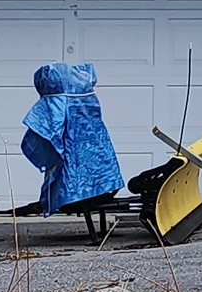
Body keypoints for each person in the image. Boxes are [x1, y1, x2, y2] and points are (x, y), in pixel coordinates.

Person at [18, 63, 124, 219]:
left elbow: (49, 130)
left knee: (71, 175)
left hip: (77, 178)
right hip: (105, 169)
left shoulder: (57, 100)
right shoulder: (86, 96)